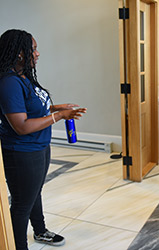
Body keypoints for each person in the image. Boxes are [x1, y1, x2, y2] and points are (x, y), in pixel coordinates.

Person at [0, 29, 87, 250]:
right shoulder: (9, 82)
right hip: (22, 151)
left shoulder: (23, 76)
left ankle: (40, 231)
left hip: (38, 147)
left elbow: (30, 107)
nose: (37, 54)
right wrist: (58, 116)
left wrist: (55, 107)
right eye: (34, 49)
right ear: (19, 53)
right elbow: (21, 126)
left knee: (34, 192)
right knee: (22, 203)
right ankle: (17, 246)